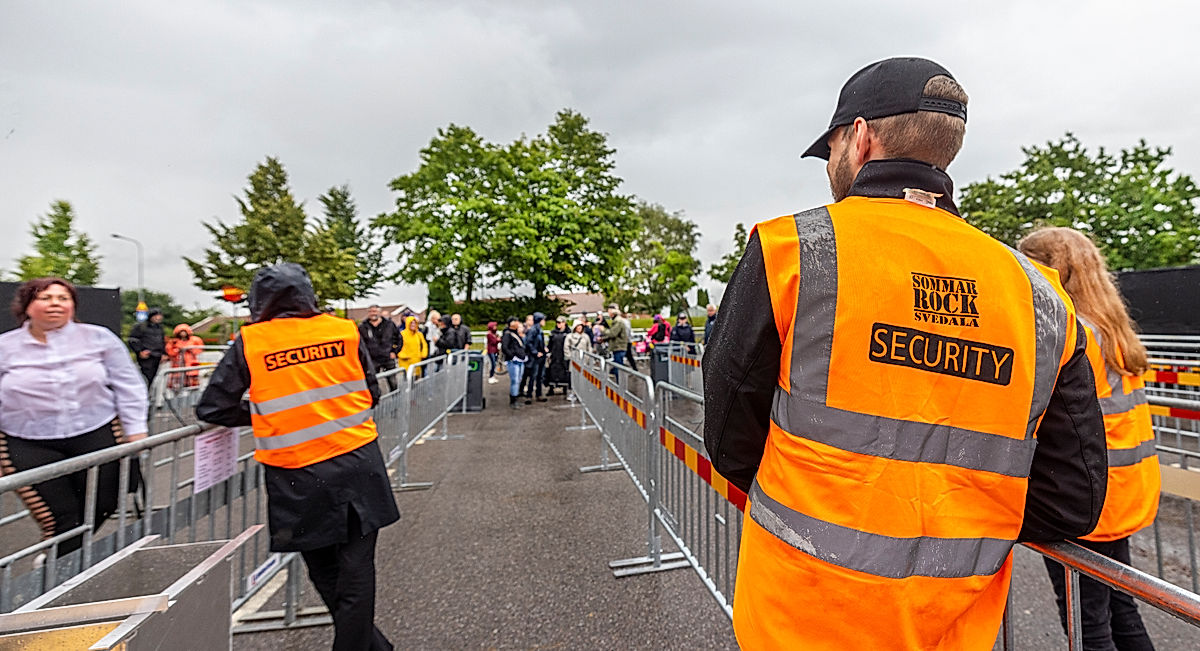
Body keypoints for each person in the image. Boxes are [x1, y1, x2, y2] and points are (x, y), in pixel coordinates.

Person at [703, 57, 1108, 650]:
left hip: (799, 616)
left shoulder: (794, 250)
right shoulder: (1039, 294)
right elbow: (1073, 497)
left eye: (832, 148)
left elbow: (731, 440)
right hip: (953, 628)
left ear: (860, 138)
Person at [196, 263, 398, 651]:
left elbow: (212, 409)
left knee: (324, 571)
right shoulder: (342, 330)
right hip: (357, 463)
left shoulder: (251, 341)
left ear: (260, 301)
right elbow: (372, 393)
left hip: (297, 475)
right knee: (356, 572)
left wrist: (266, 415)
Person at [1019, 227, 1160, 651]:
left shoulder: (1071, 332)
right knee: (1121, 607)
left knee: (1086, 622)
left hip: (1083, 495)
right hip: (1124, 491)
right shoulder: (1112, 329)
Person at [0, 278, 148, 556]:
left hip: (96, 432)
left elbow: (129, 385)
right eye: (45, 297)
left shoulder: (98, 338)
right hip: (28, 442)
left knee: (104, 502)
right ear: (27, 306)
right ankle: (57, 578)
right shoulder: (5, 347)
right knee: (61, 517)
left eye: (63, 298)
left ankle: (63, 564)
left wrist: (136, 431)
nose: (55, 303)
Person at [359, 305, 401, 392]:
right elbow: (360, 343)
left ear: (379, 312)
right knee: (371, 382)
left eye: (375, 311)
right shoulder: (363, 326)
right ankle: (375, 401)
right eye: (371, 311)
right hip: (372, 359)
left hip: (387, 357)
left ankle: (396, 400)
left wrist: (395, 352)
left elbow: (399, 338)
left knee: (393, 382)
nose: (373, 313)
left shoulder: (389, 324)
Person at [128, 308, 166, 388]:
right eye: (156, 316)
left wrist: (164, 353)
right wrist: (140, 351)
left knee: (153, 377)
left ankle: (149, 394)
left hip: (157, 355)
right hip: (146, 356)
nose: (158, 318)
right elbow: (133, 340)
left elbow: (162, 341)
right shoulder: (141, 326)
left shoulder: (159, 328)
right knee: (145, 377)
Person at [165, 323, 205, 390]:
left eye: (184, 332)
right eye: (181, 332)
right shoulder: (174, 342)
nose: (183, 334)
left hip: (190, 365)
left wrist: (190, 349)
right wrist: (177, 350)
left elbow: (199, 350)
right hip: (178, 365)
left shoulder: (194, 340)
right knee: (177, 385)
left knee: (192, 385)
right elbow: (170, 351)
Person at [501, 317, 527, 409]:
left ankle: (515, 397)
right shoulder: (507, 334)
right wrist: (512, 356)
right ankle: (513, 400)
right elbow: (505, 347)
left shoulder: (515, 333)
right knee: (515, 380)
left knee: (518, 379)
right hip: (514, 361)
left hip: (520, 359)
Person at [522, 312, 548, 404]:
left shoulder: (539, 330)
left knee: (540, 376)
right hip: (534, 358)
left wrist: (544, 348)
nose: (544, 321)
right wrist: (536, 352)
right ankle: (529, 395)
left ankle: (539, 394)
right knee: (533, 376)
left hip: (540, 356)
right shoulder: (533, 330)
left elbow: (539, 342)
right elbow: (528, 343)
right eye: (543, 319)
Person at [545, 316, 570, 397]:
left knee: (564, 371)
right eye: (557, 322)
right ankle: (551, 388)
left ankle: (564, 388)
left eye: (560, 322)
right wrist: (548, 351)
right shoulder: (553, 332)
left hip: (564, 355)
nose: (558, 324)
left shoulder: (568, 333)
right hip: (555, 355)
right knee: (552, 371)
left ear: (564, 323)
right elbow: (550, 344)